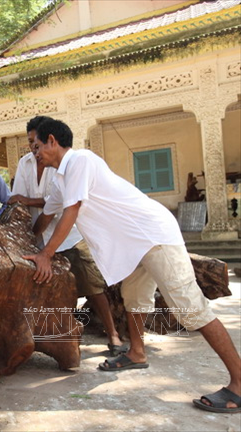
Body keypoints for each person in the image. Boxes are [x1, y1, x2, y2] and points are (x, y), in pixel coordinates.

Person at [24, 118, 241, 414]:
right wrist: (25, 242)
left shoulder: (80, 161)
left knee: (191, 308)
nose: (33, 153)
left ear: (51, 140)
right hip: (134, 245)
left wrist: (46, 255)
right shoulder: (60, 180)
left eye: (36, 146)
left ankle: (239, 383)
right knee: (134, 297)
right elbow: (47, 216)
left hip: (153, 236)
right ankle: (137, 352)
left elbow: (71, 211)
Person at [10, 116, 123, 355]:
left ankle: (113, 334)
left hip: (71, 235)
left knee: (92, 285)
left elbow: (64, 208)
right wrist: (30, 238)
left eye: (36, 142)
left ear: (49, 141)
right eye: (31, 142)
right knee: (47, 288)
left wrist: (29, 203)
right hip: (39, 237)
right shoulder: (27, 164)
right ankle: (57, 337)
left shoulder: (72, 163)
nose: (34, 147)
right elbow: (36, 205)